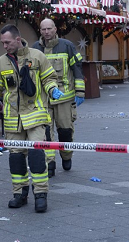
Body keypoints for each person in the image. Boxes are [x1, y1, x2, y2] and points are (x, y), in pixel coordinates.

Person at [0, 24, 63, 213]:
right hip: (13, 121)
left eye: (7, 42)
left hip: (36, 117)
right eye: (2, 43)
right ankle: (20, 194)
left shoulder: (37, 57)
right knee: (16, 159)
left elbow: (49, 79)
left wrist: (53, 90)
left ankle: (41, 195)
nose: (5, 46)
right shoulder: (1, 63)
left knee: (36, 156)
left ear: (18, 39)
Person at [32, 18, 85, 177]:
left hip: (64, 100)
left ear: (55, 29)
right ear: (40, 31)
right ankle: (50, 164)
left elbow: (77, 69)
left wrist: (80, 92)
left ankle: (66, 156)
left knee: (65, 131)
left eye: (49, 29)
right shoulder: (35, 48)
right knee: (46, 133)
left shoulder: (67, 46)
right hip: (44, 99)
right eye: (43, 29)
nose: (46, 32)